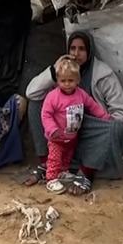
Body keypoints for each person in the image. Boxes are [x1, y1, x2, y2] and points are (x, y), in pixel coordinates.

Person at [22, 31, 123, 195]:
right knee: (36, 104)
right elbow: (31, 93)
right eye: (72, 48)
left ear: (89, 51)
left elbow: (122, 117)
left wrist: (101, 126)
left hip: (89, 133)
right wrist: (54, 70)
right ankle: (47, 163)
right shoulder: (63, 71)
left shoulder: (102, 75)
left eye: (81, 49)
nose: (76, 54)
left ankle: (86, 173)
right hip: (62, 135)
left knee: (117, 127)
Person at [41, 56, 110, 194]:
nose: (67, 84)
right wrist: (52, 129)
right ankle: (51, 179)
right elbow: (46, 114)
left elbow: (92, 106)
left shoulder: (81, 95)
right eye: (63, 81)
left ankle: (63, 172)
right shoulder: (53, 97)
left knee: (67, 157)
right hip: (56, 137)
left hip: (72, 136)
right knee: (55, 157)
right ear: (57, 81)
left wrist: (105, 117)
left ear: (77, 80)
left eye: (71, 80)